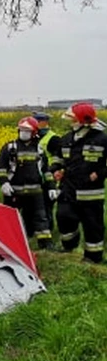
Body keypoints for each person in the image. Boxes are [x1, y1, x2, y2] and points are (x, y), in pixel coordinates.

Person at [51, 103, 107, 262]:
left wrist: (100, 173)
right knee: (63, 216)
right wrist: (55, 168)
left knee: (92, 226)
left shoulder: (101, 139)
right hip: (68, 188)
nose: (71, 122)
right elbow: (58, 157)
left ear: (83, 120)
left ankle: (93, 257)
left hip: (91, 193)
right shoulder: (67, 138)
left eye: (73, 119)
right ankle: (69, 247)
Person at [0, 116, 53, 250]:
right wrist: (4, 183)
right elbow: (1, 168)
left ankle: (45, 245)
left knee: (41, 218)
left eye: (26, 130)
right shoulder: (9, 148)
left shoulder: (39, 150)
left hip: (35, 191)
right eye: (21, 130)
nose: (23, 133)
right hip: (14, 190)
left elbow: (46, 171)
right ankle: (8, 243)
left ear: (33, 133)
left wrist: (51, 187)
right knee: (9, 219)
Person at [33, 111, 61, 228]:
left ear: (44, 122)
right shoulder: (34, 136)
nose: (35, 124)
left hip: (48, 178)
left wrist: (48, 171)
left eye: (38, 122)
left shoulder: (53, 138)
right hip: (35, 178)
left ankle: (48, 230)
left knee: (46, 207)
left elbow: (58, 160)